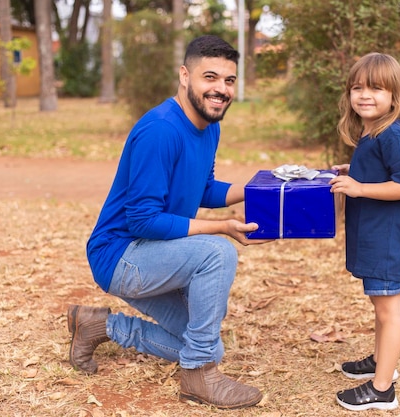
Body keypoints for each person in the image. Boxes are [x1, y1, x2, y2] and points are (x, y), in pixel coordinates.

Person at [67, 35, 270, 410]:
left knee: (207, 342)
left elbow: (203, 188)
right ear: (184, 75)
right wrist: (222, 226)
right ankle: (198, 376)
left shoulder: (210, 125)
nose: (221, 89)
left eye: (229, 80)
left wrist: (261, 189)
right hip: (121, 255)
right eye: (210, 77)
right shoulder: (160, 130)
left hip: (156, 252)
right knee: (217, 253)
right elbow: (143, 221)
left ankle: (100, 326)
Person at [328, 52, 400, 411]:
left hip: (386, 237)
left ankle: (383, 389)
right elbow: (380, 171)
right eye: (357, 88)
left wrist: (360, 188)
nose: (365, 95)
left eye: (376, 88)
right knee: (378, 304)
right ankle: (381, 360)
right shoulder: (372, 131)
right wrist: (355, 170)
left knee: (387, 310)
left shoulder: (391, 133)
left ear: (394, 97)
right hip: (373, 233)